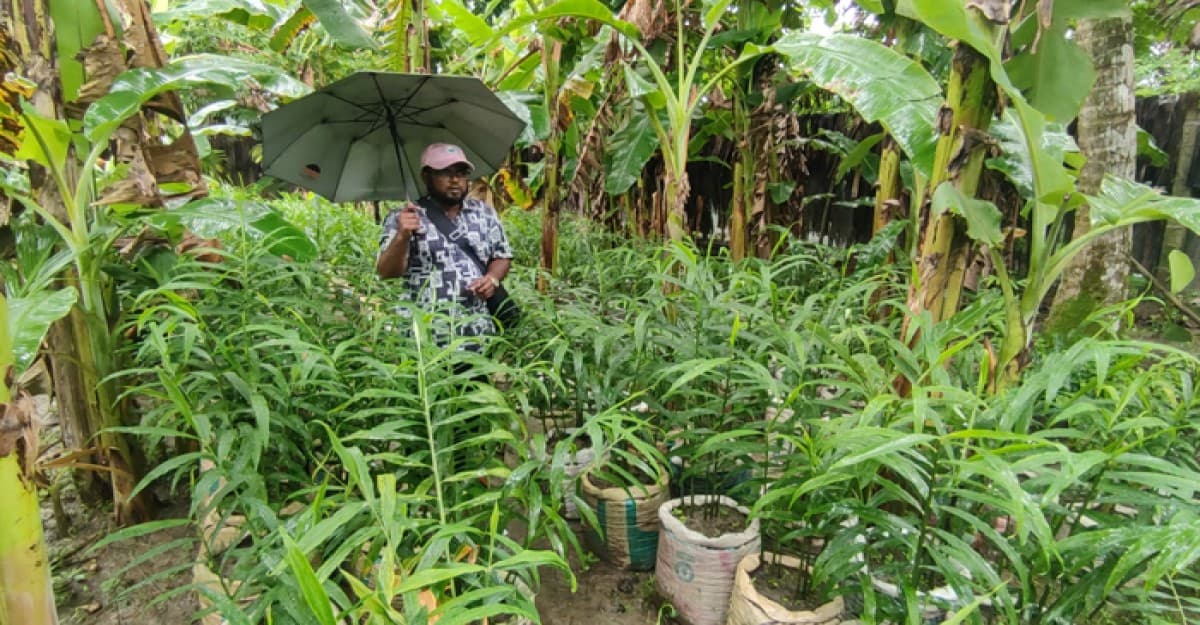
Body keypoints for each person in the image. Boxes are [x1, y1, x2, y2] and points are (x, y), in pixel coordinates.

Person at [376, 142, 514, 349]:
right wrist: (402, 235)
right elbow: (386, 272)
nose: (455, 180)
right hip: (425, 339)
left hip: (478, 333)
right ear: (426, 177)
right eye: (445, 173)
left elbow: (501, 255)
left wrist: (492, 279)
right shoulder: (403, 217)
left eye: (461, 173)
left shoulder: (484, 213)